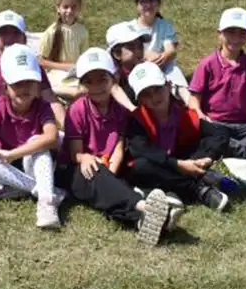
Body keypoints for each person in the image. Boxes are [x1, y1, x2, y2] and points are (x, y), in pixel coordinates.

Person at [58, 48, 183, 245]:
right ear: (82, 84)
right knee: (98, 177)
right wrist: (86, 158)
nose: (96, 86)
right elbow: (75, 153)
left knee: (108, 193)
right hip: (78, 169)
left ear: (114, 78)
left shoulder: (120, 110)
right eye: (89, 81)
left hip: (108, 168)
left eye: (102, 79)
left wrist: (110, 174)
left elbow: (118, 145)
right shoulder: (77, 109)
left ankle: (141, 220)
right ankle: (144, 206)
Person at [0, 44, 64, 228]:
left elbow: (51, 136)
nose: (24, 88)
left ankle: (46, 204)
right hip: (4, 165)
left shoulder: (42, 107)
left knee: (39, 143)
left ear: (38, 85)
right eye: (17, 83)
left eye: (29, 82)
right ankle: (45, 191)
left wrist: (13, 154)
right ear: (6, 86)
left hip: (29, 161)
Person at [124, 62, 231, 211]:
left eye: (157, 89)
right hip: (158, 166)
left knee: (206, 141)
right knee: (141, 166)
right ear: (140, 99)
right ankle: (198, 189)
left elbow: (220, 133)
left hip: (181, 159)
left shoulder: (183, 114)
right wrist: (178, 165)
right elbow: (141, 150)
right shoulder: (135, 120)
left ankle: (189, 179)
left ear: (168, 86)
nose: (154, 97)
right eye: (146, 94)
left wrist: (208, 157)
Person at [188, 8, 246, 160]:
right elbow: (194, 98)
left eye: (242, 34)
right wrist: (200, 115)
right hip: (216, 123)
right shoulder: (207, 64)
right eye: (231, 32)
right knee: (209, 135)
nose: (236, 38)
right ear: (220, 34)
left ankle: (233, 149)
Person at [0, 10, 65, 132]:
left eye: (15, 33)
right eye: (3, 33)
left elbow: (50, 98)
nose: (9, 38)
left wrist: (66, 127)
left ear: (24, 39)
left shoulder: (32, 66)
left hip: (30, 125)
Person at [129, 0, 190, 103]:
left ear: (159, 3)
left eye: (152, 0)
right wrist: (145, 56)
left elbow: (170, 49)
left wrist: (165, 56)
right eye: (143, 1)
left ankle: (189, 102)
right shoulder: (130, 28)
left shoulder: (164, 25)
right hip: (140, 67)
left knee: (173, 69)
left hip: (161, 65)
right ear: (137, 5)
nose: (148, 5)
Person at [37, 0, 89, 99]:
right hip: (55, 75)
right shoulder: (51, 32)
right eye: (65, 7)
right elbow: (41, 61)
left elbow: (84, 59)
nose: (69, 11)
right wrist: (65, 67)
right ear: (58, 8)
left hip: (75, 76)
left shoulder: (82, 32)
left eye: (73, 7)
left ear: (79, 8)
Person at [105, 21, 151, 111]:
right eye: (131, 47)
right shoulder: (113, 77)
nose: (138, 51)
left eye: (140, 46)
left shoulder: (147, 69)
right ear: (117, 53)